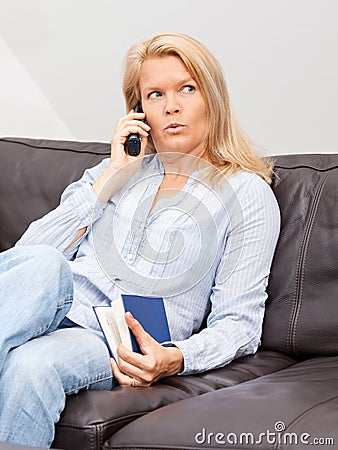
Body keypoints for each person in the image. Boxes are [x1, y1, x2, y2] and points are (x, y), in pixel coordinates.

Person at [0, 32, 280, 447]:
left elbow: (240, 323)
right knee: (45, 264)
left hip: (106, 336)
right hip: (39, 307)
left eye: (187, 88)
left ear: (212, 98)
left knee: (32, 365)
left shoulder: (245, 193)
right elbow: (26, 259)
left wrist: (177, 357)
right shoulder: (112, 172)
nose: (171, 106)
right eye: (154, 94)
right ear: (138, 110)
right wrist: (113, 179)